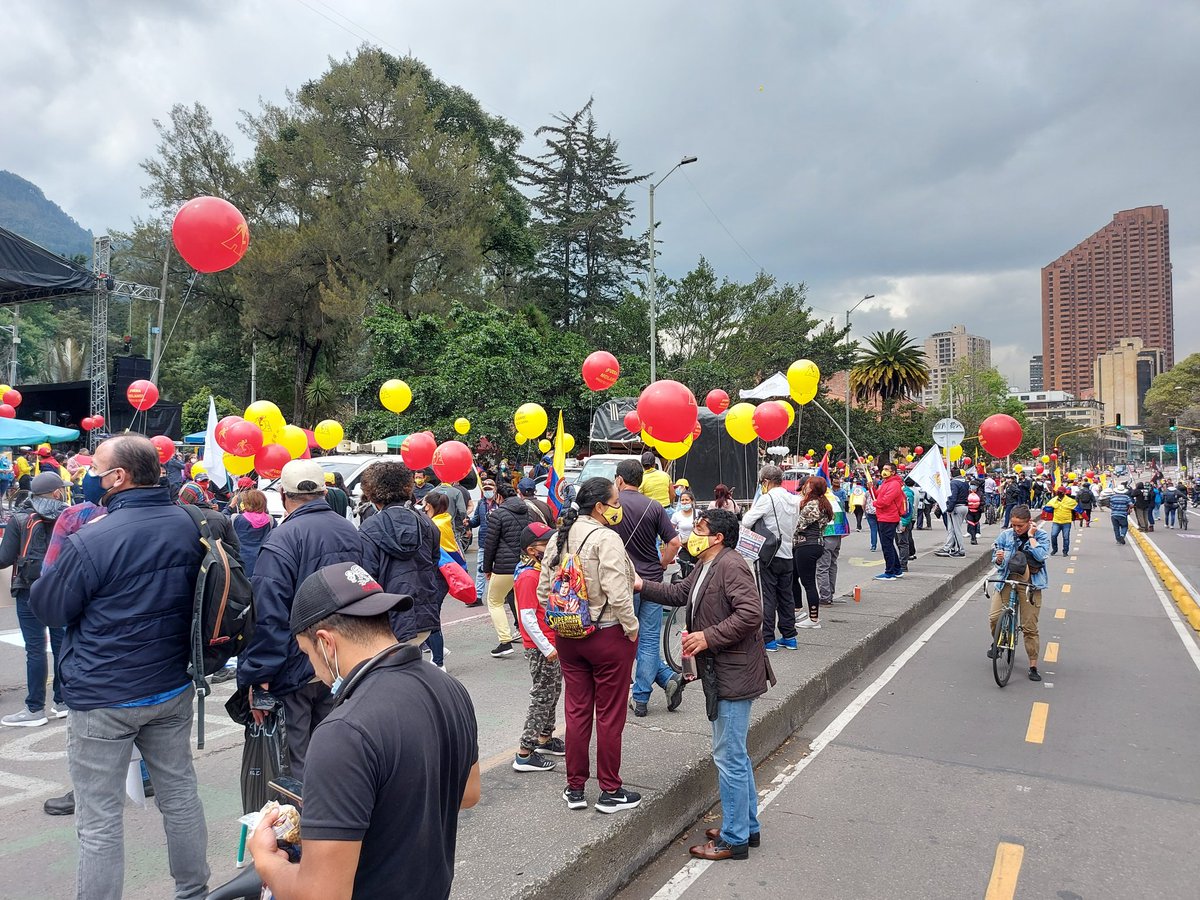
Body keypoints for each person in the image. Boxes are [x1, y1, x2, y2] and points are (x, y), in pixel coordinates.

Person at [29, 435, 211, 899]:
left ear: (119, 477)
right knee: (180, 795)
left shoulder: (92, 538)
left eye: (98, 469)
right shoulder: (190, 522)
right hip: (171, 683)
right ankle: (194, 891)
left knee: (99, 818)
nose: (91, 476)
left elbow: (50, 608)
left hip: (104, 693)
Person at [250, 562, 480, 900]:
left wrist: (266, 860)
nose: (315, 670)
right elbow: (468, 792)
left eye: (306, 653)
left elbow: (322, 894)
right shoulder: (449, 687)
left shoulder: (344, 732)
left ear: (326, 643)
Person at [635, 508, 774, 861]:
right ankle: (746, 825)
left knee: (728, 756)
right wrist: (640, 585)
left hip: (735, 672)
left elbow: (750, 613)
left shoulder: (731, 565)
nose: (692, 532)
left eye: (699, 528)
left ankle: (733, 838)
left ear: (717, 538)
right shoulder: (705, 564)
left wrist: (708, 637)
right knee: (734, 755)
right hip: (722, 672)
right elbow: (681, 593)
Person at [238, 459, 364, 781]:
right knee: (336, 751)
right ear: (324, 492)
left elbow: (268, 617)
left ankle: (307, 826)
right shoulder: (350, 532)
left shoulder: (282, 540)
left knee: (297, 763)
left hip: (297, 665)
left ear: (283, 495)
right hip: (343, 659)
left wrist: (259, 678)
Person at [537, 477, 641, 813]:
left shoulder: (558, 537)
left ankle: (575, 787)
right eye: (614, 502)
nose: (617, 508)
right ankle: (610, 790)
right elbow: (618, 590)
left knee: (576, 711)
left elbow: (543, 591)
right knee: (610, 715)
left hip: (568, 635)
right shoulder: (606, 538)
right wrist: (631, 627)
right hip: (607, 634)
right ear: (599, 507)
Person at [610, 459, 683, 717]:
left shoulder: (612, 507)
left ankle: (628, 692)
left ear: (619, 480)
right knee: (649, 638)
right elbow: (674, 542)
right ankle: (645, 694)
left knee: (623, 637)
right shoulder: (654, 506)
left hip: (621, 581)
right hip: (652, 580)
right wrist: (662, 563)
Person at [359, 461, 448, 670]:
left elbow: (366, 577)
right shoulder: (427, 523)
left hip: (386, 619)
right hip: (423, 613)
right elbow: (433, 564)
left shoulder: (369, 528)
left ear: (372, 493)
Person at [0, 472, 69, 727]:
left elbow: (3, 559)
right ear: (57, 493)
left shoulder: (19, 518)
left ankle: (34, 709)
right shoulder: (67, 516)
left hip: (29, 590)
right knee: (63, 645)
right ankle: (63, 702)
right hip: (61, 589)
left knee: (35, 649)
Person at [511, 522, 566, 772]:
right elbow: (528, 617)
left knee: (552, 692)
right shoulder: (528, 577)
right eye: (547, 544)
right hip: (541, 647)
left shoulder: (539, 572)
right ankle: (525, 751)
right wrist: (547, 648)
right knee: (542, 696)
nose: (552, 547)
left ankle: (545, 737)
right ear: (533, 550)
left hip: (549, 644)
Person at [988, 505, 1050, 682]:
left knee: (1029, 627)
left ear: (1029, 522)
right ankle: (1000, 641)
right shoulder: (1006, 535)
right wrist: (998, 559)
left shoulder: (1041, 535)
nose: (1016, 529)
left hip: (1030, 584)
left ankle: (1033, 665)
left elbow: (1041, 556)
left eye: (1020, 526)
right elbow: (996, 560)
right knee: (994, 618)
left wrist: (1030, 537)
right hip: (1007, 580)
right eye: (1013, 525)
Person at [743, 464, 799, 650]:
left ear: (766, 481)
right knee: (786, 596)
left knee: (767, 597)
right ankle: (789, 636)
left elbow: (747, 521)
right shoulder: (793, 499)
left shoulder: (767, 499)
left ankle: (768, 639)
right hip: (788, 553)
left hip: (769, 554)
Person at [482, 481, 531, 658]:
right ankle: (529, 644)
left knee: (494, 601)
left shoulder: (498, 514)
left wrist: (486, 568)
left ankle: (505, 641)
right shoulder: (527, 511)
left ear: (499, 497)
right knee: (521, 604)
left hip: (504, 567)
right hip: (524, 565)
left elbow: (490, 544)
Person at [793, 476, 833, 628]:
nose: (805, 487)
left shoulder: (812, 505)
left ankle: (813, 619)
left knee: (808, 582)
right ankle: (798, 610)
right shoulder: (823, 503)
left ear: (812, 488)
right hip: (815, 544)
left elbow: (798, 526)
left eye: (808, 485)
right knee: (794, 575)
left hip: (806, 545)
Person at [817, 477, 851, 604]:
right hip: (837, 534)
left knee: (822, 567)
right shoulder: (834, 497)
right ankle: (830, 593)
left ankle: (825, 597)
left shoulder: (820, 500)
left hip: (827, 534)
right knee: (832, 564)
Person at [468, 478, 500, 605]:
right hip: (484, 541)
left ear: (495, 489)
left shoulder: (500, 503)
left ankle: (502, 594)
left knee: (499, 569)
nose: (487, 491)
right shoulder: (481, 504)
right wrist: (469, 522)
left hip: (498, 541)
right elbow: (476, 521)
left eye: (490, 488)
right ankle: (478, 596)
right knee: (481, 568)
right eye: (485, 488)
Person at [872, 463, 906, 580]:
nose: (884, 471)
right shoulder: (885, 483)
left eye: (887, 469)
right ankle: (897, 569)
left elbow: (884, 501)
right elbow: (877, 495)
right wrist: (872, 488)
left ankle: (889, 572)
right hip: (883, 517)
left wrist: (875, 503)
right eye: (883, 469)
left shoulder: (894, 484)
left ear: (893, 472)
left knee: (887, 546)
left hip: (888, 518)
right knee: (888, 544)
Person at [231, 488, 274, 579]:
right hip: (263, 562)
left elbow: (222, 520)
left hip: (241, 561)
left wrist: (231, 505)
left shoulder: (236, 519)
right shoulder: (270, 520)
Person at [936, 469, 969, 557]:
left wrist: (949, 508)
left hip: (956, 508)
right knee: (952, 529)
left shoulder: (954, 483)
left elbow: (953, 497)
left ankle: (960, 550)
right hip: (964, 506)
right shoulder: (965, 482)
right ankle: (947, 548)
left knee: (955, 529)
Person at [671, 489, 700, 577]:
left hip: (697, 546)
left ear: (692, 501)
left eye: (686, 500)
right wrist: (677, 543)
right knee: (686, 571)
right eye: (682, 500)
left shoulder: (698, 513)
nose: (684, 502)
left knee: (698, 571)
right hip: (683, 547)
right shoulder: (676, 515)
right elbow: (670, 531)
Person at [1047, 487, 1077, 556]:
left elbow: (1077, 508)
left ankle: (1065, 551)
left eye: (1061, 492)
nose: (1059, 493)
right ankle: (1055, 549)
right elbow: (1048, 506)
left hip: (1066, 522)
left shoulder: (1070, 501)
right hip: (1056, 521)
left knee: (1066, 537)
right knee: (1053, 535)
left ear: (1064, 493)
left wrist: (1083, 517)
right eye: (1058, 492)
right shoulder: (1054, 500)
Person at [895, 476, 917, 572]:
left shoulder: (907, 493)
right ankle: (901, 561)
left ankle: (903, 565)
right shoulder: (897, 492)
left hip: (903, 521)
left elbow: (908, 510)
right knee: (898, 542)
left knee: (903, 542)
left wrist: (903, 523)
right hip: (895, 520)